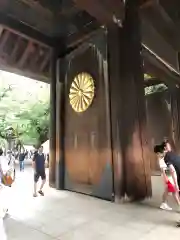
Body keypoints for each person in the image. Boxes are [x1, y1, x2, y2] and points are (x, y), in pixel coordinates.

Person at [154, 144, 180, 211]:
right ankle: (178, 205)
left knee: (168, 190)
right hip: (168, 176)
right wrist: (167, 179)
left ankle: (163, 203)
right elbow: (164, 171)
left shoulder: (165, 157)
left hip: (170, 176)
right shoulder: (162, 160)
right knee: (173, 191)